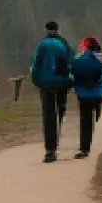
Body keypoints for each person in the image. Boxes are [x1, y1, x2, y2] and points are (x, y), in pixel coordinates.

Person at [30, 20, 74, 163]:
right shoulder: (64, 44)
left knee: (48, 115)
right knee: (60, 110)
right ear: (57, 30)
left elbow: (35, 65)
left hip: (46, 85)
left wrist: (36, 81)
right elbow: (71, 62)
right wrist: (70, 82)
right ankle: (60, 134)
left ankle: (50, 150)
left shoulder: (41, 45)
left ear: (46, 30)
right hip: (61, 83)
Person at [72, 36, 102, 159]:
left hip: (83, 95)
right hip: (97, 94)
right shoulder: (100, 59)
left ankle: (84, 148)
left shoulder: (79, 59)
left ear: (85, 47)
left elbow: (73, 74)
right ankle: (98, 109)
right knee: (93, 114)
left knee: (85, 121)